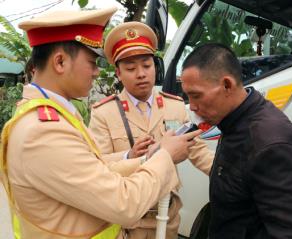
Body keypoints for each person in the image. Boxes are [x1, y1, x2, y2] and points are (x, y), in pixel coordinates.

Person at [0, 8, 202, 239]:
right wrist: (165, 156)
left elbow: (94, 170)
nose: (97, 72)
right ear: (60, 62)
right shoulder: (43, 130)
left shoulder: (52, 116)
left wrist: (147, 157)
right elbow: (123, 204)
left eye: (146, 65)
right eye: (92, 62)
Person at [180, 43, 292, 239]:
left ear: (227, 85)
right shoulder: (234, 122)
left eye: (196, 96)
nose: (192, 107)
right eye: (187, 96)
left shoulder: (269, 143)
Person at [88, 22, 214, 239]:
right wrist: (130, 155)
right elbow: (96, 166)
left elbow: (198, 151)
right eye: (130, 68)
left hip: (168, 214)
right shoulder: (104, 113)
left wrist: (231, 174)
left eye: (146, 65)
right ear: (118, 73)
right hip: (127, 222)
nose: (141, 74)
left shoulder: (174, 106)